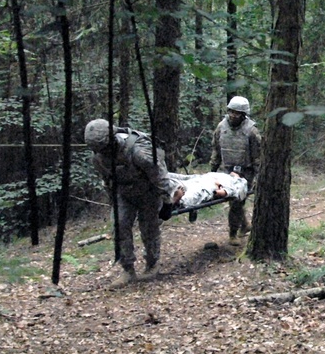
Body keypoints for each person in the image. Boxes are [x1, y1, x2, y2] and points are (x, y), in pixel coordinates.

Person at [84, 119, 171, 286]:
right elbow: (107, 179)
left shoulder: (138, 151)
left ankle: (152, 265)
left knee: (148, 227)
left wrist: (167, 201)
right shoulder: (98, 158)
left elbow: (159, 175)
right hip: (123, 193)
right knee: (119, 225)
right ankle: (128, 269)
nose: (101, 152)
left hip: (148, 192)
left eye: (102, 148)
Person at [210, 95, 262, 245]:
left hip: (246, 171)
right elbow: (216, 149)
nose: (233, 115)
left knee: (237, 202)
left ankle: (233, 233)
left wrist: (258, 176)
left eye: (237, 113)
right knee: (235, 200)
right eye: (231, 111)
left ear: (243, 114)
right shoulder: (221, 127)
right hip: (227, 169)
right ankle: (245, 225)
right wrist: (212, 170)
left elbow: (257, 156)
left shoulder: (251, 131)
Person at [168, 170, 249, 209]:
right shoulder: (224, 175)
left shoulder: (236, 182)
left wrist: (218, 189)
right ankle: (170, 196)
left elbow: (223, 192)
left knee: (194, 193)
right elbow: (188, 177)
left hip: (208, 186)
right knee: (181, 184)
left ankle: (176, 202)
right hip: (197, 180)